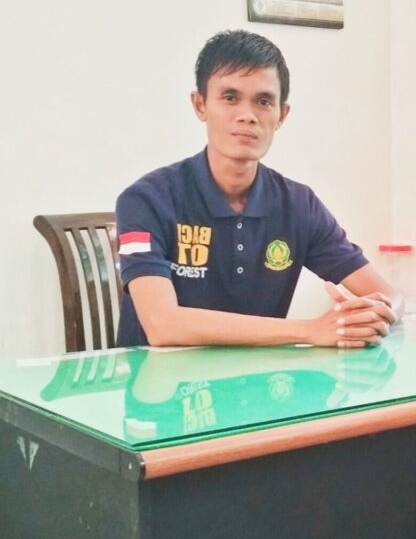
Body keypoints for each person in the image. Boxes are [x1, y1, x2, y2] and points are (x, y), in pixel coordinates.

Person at [115, 30, 401, 349]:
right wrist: (310, 330)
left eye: (263, 102)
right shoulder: (145, 200)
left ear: (282, 115)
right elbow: (162, 325)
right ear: (200, 105)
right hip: (159, 377)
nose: (247, 116)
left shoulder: (299, 204)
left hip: (259, 377)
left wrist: (370, 316)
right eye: (230, 97)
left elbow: (390, 297)